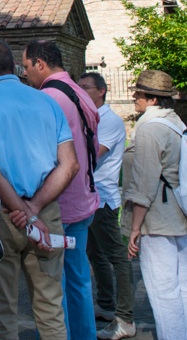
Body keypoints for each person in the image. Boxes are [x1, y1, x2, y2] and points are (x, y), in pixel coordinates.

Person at [0, 39, 78, 340]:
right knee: (51, 310)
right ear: (14, 66)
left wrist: (22, 211)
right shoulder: (48, 101)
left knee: (1, 316)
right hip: (46, 214)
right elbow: (70, 165)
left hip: (4, 217)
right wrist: (36, 209)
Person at [22, 39, 99, 340]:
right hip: (84, 197)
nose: (25, 74)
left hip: (59, 204)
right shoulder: (82, 92)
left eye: (26, 67)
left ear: (40, 64)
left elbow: (41, 156)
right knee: (79, 279)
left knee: (53, 286)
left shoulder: (47, 99)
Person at [123, 70, 187, 340]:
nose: (135, 97)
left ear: (154, 99)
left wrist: (135, 227)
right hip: (180, 213)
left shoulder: (149, 127)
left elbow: (144, 184)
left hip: (157, 219)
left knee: (163, 289)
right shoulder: (175, 121)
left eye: (140, 94)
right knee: (186, 284)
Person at [80, 72, 136, 340]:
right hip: (88, 198)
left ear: (101, 91)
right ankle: (105, 304)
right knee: (95, 254)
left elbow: (91, 154)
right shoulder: (91, 119)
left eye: (86, 87)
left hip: (102, 199)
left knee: (117, 256)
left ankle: (125, 318)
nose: (81, 91)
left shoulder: (110, 121)